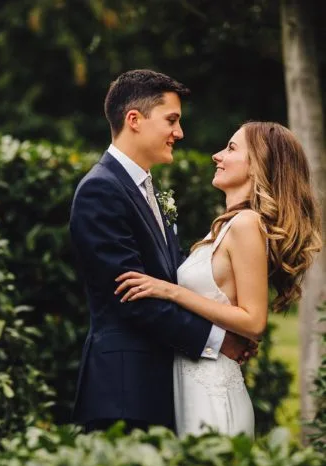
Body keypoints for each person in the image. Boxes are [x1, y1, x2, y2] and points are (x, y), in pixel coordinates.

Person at [69, 69, 254, 435]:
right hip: (124, 388)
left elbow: (170, 274)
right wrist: (219, 340)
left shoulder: (145, 188)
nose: (179, 133)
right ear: (134, 120)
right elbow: (132, 295)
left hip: (158, 382)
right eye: (172, 120)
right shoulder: (100, 191)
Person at [115, 121, 322, 437]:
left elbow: (253, 321)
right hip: (194, 379)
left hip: (212, 390)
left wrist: (172, 292)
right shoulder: (225, 227)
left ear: (258, 166)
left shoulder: (246, 224)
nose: (216, 155)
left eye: (231, 148)